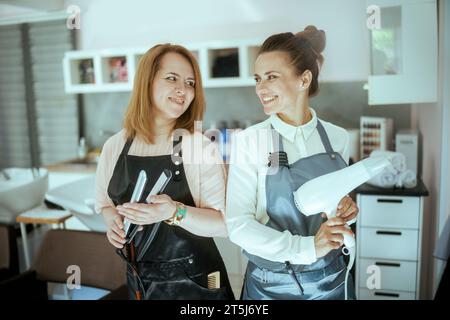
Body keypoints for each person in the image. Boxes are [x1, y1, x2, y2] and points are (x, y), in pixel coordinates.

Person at [226, 26, 359, 300]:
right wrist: (307, 248)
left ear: (304, 79)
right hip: (270, 284)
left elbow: (333, 205)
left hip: (331, 278)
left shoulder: (337, 138)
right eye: (258, 78)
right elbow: (238, 225)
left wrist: (347, 210)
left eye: (271, 77)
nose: (260, 88)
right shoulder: (251, 141)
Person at [95, 44, 234, 300]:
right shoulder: (115, 146)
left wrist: (173, 212)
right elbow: (105, 204)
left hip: (197, 284)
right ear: (146, 82)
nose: (184, 90)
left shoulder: (198, 146)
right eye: (172, 78)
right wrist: (112, 221)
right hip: (140, 281)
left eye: (190, 82)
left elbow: (225, 225)